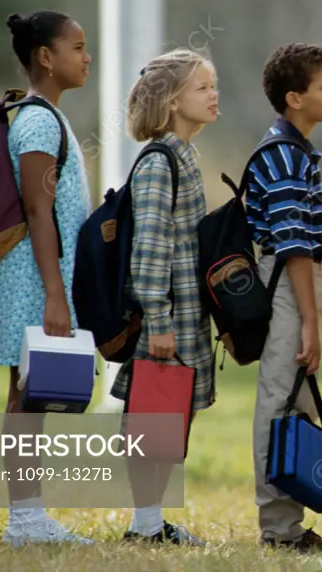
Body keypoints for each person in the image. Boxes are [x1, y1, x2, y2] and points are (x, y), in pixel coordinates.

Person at [0, 10, 95, 546]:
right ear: (46, 58)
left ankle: (28, 517)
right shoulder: (38, 121)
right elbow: (36, 208)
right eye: (77, 47)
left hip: (45, 278)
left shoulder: (48, 115)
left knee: (31, 398)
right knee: (26, 400)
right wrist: (54, 294)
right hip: (33, 279)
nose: (86, 56)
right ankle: (24, 522)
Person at [246, 43, 322, 552]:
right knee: (278, 404)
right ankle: (277, 530)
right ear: (295, 98)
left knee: (295, 406)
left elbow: (312, 255)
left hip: (302, 291)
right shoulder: (281, 158)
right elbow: (294, 250)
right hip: (287, 294)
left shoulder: (298, 153)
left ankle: (288, 525)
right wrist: (311, 325)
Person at [107, 48, 217, 546]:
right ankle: (146, 523)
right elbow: (150, 248)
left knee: (170, 418)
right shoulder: (159, 161)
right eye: (202, 88)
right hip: (166, 318)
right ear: (173, 102)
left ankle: (149, 520)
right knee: (153, 416)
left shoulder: (186, 154)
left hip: (187, 313)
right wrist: (160, 318)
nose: (214, 95)